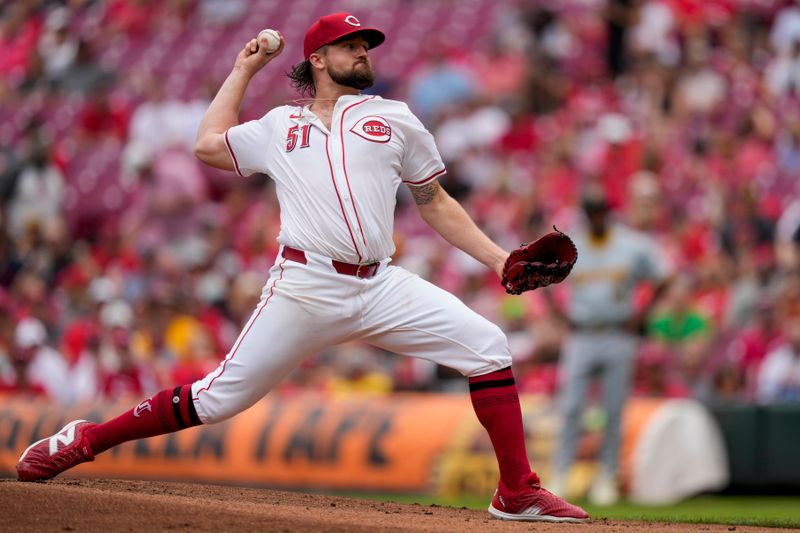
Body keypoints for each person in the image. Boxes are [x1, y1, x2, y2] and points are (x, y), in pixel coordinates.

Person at [15, 12, 588, 523]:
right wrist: (244, 69)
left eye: (366, 43)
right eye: (350, 44)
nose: (363, 51)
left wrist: (496, 259)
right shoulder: (278, 126)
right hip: (305, 285)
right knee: (217, 400)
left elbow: (433, 200)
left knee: (488, 345)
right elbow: (208, 145)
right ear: (318, 59)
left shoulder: (395, 117)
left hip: (380, 283)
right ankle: (86, 439)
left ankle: (517, 490)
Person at [548, 184, 669, 506]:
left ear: (608, 211)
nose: (595, 215)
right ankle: (561, 474)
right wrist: (560, 315)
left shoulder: (632, 244)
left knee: (613, 409)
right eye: (590, 210)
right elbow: (542, 277)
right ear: (585, 213)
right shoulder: (572, 244)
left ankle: (607, 476)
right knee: (571, 406)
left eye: (599, 209)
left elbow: (663, 276)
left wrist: (643, 314)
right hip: (582, 335)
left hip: (618, 333)